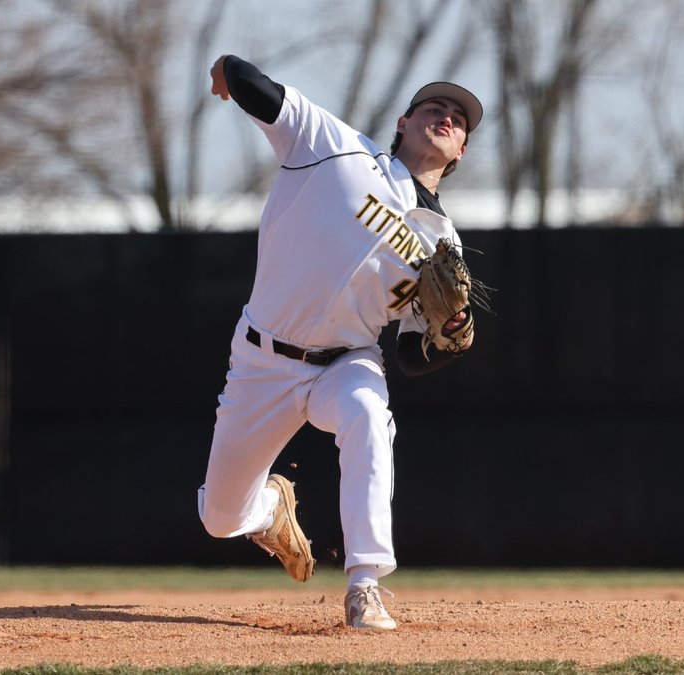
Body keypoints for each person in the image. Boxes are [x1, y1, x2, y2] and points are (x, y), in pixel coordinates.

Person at [195, 54, 484, 630]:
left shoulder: (442, 244)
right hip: (262, 359)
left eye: (459, 119)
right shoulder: (338, 147)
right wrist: (226, 71)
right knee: (220, 519)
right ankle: (271, 508)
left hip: (348, 361)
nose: (447, 117)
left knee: (368, 416)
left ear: (460, 153)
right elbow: (255, 84)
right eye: (434, 106)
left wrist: (448, 340)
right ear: (403, 123)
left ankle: (365, 585)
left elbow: (407, 353)